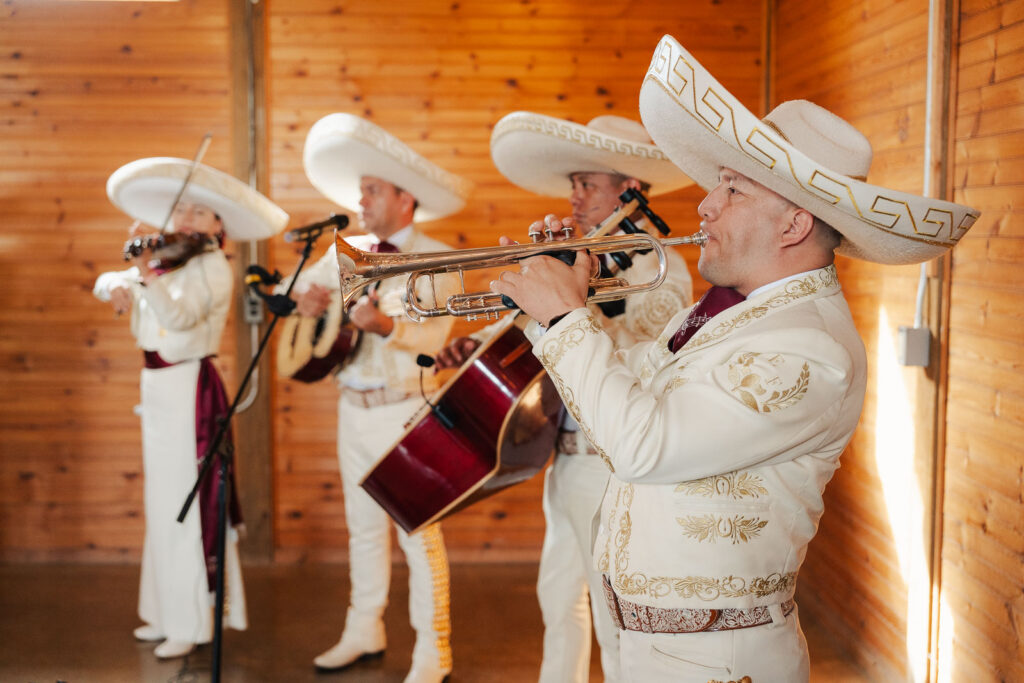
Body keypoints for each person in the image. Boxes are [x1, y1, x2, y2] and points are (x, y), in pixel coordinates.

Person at [490, 35, 979, 682]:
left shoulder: (810, 346)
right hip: (663, 652)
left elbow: (644, 444)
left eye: (733, 189)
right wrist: (555, 307)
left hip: (712, 663)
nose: (704, 204)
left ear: (794, 225)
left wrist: (565, 319)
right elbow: (640, 378)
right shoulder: (738, 311)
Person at [436, 112, 693, 683]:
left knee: (611, 613)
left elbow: (648, 353)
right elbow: (535, 330)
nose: (574, 196)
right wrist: (474, 347)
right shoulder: (581, 254)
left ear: (629, 190)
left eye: (587, 184)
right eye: (573, 184)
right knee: (557, 597)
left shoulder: (657, 265)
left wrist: (569, 300)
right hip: (566, 453)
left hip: (611, 463)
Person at [288, 113, 472, 683]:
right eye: (362, 191)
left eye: (371, 191)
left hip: (407, 411)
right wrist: (306, 299)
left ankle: (432, 649)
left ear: (404, 198)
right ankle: (363, 628)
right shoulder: (348, 251)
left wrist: (385, 327)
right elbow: (294, 291)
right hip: (354, 408)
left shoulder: (440, 256)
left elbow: (440, 336)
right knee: (362, 528)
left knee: (419, 534)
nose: (361, 201)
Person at [93, 158, 288, 659]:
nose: (185, 219)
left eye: (199, 213)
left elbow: (177, 318)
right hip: (156, 387)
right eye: (181, 209)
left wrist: (143, 275)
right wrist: (118, 284)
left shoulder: (214, 268)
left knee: (187, 504)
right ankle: (163, 611)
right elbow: (107, 282)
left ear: (218, 226)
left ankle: (192, 620)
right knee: (161, 502)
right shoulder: (169, 260)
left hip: (188, 388)